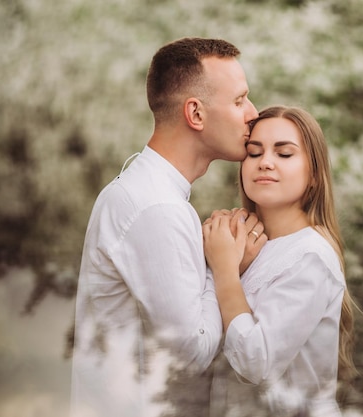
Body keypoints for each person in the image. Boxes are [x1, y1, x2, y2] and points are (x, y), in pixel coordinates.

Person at [70, 37, 260, 417]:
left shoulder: (146, 191)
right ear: (196, 114)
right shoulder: (157, 208)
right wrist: (225, 268)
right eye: (239, 100)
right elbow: (192, 352)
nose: (252, 113)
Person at [203, 105, 357, 417]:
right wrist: (233, 262)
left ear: (314, 175)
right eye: (254, 152)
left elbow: (255, 361)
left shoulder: (311, 256)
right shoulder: (240, 244)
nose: (265, 163)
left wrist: (224, 271)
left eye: (284, 154)